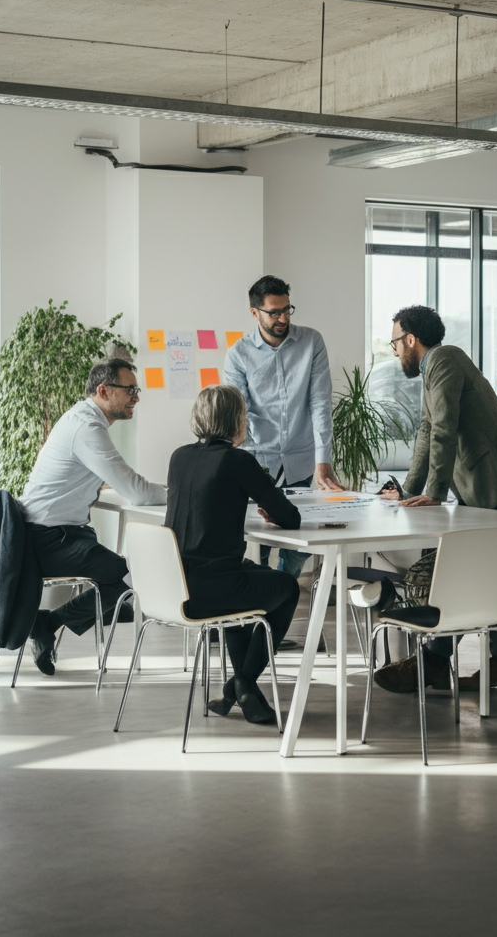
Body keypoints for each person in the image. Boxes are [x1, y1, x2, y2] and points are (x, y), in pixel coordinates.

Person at [376, 305, 497, 693]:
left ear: (411, 339)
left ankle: (441, 661)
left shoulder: (445, 359)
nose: (396, 351)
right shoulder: (435, 367)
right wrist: (410, 491)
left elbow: (444, 429)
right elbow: (427, 430)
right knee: (484, 575)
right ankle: (492, 663)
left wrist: (434, 492)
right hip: (485, 488)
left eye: (396, 342)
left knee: (477, 573)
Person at [21, 358, 167, 676]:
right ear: (103, 390)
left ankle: (55, 620)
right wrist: (182, 494)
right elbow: (138, 491)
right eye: (130, 390)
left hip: (56, 531)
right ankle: (51, 621)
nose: (136, 397)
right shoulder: (87, 428)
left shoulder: (83, 419)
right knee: (124, 576)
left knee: (118, 578)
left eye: (136, 389)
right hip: (48, 538)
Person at [165, 385, 301, 725]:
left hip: (175, 587)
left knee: (243, 578)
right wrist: (271, 510)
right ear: (237, 420)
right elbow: (290, 517)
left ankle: (243, 695)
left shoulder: (179, 456)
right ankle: (242, 682)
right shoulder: (238, 460)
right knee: (287, 588)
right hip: (212, 590)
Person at [224, 274, 343, 582]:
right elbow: (238, 413)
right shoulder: (238, 355)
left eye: (287, 309)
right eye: (274, 312)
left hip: (301, 460)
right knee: (255, 545)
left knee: (299, 538)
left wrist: (323, 459)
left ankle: (282, 589)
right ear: (255, 313)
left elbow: (320, 403)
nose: (282, 318)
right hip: (256, 462)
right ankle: (260, 606)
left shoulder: (311, 342)